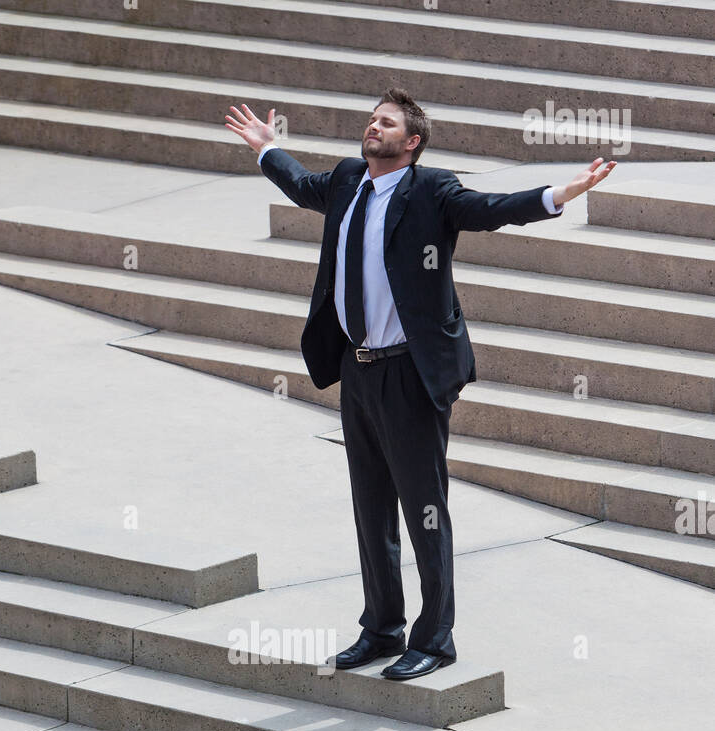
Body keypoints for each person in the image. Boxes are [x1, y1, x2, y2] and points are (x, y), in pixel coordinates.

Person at [226, 89, 616, 679]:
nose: (372, 126)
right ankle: (381, 628)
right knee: (370, 505)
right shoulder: (349, 180)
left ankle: (434, 639)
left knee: (424, 508)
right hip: (356, 369)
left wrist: (559, 195)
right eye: (371, 119)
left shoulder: (432, 190)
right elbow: (302, 185)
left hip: (410, 371)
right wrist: (267, 149)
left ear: (411, 142)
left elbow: (492, 208)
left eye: (386, 123)